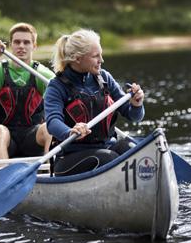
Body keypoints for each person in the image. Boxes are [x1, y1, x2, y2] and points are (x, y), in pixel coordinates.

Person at [44, 29, 145, 176]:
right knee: (109, 158)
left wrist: (136, 104)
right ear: (78, 59)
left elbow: (134, 116)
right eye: (95, 56)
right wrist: (70, 131)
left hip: (106, 148)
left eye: (101, 54)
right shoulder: (57, 86)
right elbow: (52, 122)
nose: (101, 60)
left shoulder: (104, 78)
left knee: (132, 148)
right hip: (70, 159)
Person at [0, 22, 54, 166]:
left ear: (34, 46)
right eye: (17, 42)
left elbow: (63, 94)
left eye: (26, 42)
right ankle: (4, 175)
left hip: (32, 136)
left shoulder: (41, 73)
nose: (21, 46)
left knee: (50, 127)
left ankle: (51, 171)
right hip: (4, 138)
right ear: (11, 45)